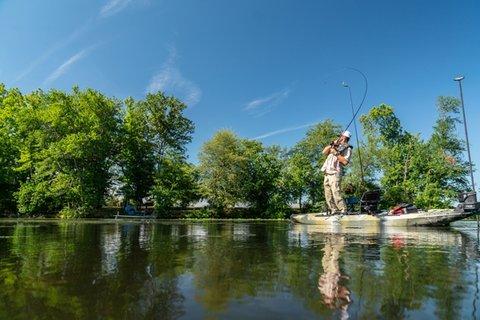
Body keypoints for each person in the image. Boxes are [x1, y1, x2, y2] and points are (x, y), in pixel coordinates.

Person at [320, 131, 352, 214]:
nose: (339, 138)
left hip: (335, 172)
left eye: (340, 136)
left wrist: (336, 153)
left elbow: (345, 162)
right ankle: (333, 210)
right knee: (328, 194)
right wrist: (332, 145)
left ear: (344, 137)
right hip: (327, 172)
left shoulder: (347, 148)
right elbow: (324, 152)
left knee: (335, 192)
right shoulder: (334, 146)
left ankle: (343, 209)